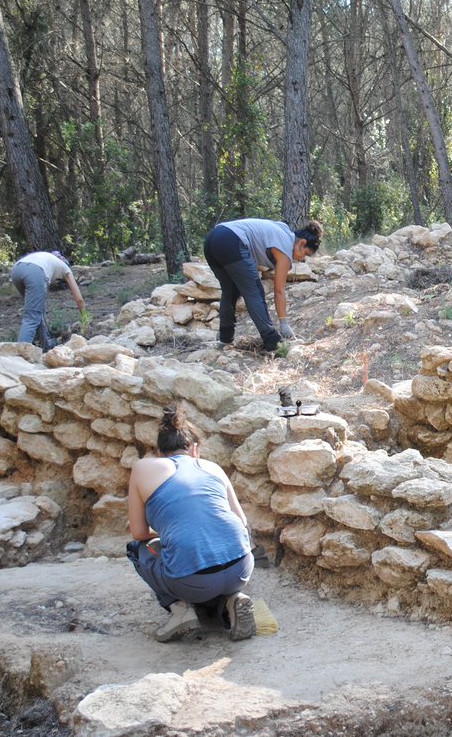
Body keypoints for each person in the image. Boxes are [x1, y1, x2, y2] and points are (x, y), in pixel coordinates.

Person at [127, 404, 255, 642]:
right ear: (194, 449)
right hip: (242, 569)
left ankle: (180, 610)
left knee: (137, 550)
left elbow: (138, 532)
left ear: (158, 452)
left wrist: (167, 534)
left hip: (192, 581)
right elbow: (242, 521)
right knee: (208, 558)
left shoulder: (143, 468)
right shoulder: (212, 467)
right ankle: (231, 599)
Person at [202, 218, 323, 351]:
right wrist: (284, 323)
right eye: (305, 253)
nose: (302, 259)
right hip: (232, 240)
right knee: (255, 291)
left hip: (212, 239)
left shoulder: (283, 231)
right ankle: (272, 341)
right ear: (302, 243)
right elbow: (279, 291)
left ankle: (225, 339)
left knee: (230, 291)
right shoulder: (285, 249)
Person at [10, 250, 86, 351]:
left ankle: (44, 344)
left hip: (17, 269)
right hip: (35, 272)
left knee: (37, 311)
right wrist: (85, 319)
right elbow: (79, 299)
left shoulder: (46, 257)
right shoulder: (65, 267)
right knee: (31, 318)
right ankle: (19, 355)